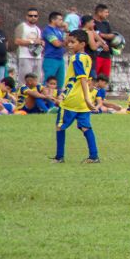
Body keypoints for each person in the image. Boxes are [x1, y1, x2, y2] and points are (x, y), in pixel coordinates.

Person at [53, 31, 100, 163]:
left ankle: (59, 157)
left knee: (60, 126)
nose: (69, 44)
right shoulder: (87, 58)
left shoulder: (76, 58)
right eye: (69, 41)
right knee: (85, 127)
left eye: (73, 42)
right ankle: (94, 156)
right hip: (82, 102)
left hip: (72, 99)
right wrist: (87, 99)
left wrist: (85, 98)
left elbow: (81, 79)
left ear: (83, 44)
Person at [12, 8, 44, 85]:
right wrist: (32, 42)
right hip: (25, 56)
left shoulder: (37, 29)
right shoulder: (22, 26)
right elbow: (17, 41)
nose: (33, 17)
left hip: (37, 56)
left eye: (35, 16)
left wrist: (41, 43)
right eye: (31, 15)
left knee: (37, 80)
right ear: (27, 17)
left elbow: (38, 41)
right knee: (24, 80)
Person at [41, 11, 67, 91]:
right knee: (48, 81)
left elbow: (65, 42)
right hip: (51, 58)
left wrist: (67, 30)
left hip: (60, 58)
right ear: (53, 20)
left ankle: (57, 98)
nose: (61, 22)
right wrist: (64, 42)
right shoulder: (48, 30)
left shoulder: (59, 31)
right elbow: (56, 43)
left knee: (60, 82)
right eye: (60, 20)